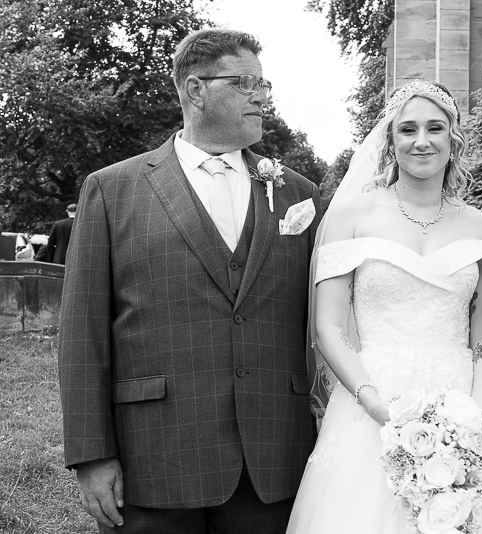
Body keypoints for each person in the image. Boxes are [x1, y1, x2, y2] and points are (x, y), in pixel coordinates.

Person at [58, 28, 320, 534]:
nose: (262, 97)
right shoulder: (112, 190)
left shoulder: (298, 194)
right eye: (244, 83)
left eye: (264, 85)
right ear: (195, 90)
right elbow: (82, 332)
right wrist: (90, 454)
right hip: (154, 456)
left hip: (273, 454)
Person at [286, 80, 482, 533]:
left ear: (453, 139)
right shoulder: (352, 217)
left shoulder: (479, 224)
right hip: (373, 398)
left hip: (463, 397)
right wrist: (379, 408)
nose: (421, 140)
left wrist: (475, 415)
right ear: (390, 141)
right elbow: (329, 329)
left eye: (435, 128)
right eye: (407, 129)